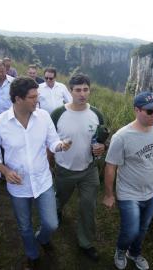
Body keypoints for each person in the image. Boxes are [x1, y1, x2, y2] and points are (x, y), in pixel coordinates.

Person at [0, 76, 71, 270]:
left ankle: (42, 237)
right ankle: (32, 254)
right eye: (32, 97)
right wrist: (4, 170)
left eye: (37, 96)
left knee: (52, 224)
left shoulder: (44, 117)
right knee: (24, 227)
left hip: (43, 180)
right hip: (18, 186)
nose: (37, 100)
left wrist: (61, 146)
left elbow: (52, 142)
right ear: (17, 99)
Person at [103, 92, 153, 270]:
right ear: (136, 110)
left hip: (152, 192)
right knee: (131, 230)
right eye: (150, 111)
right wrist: (109, 195)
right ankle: (120, 250)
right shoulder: (122, 137)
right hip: (129, 194)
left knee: (143, 228)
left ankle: (134, 253)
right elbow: (110, 166)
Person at [50, 74, 106, 261]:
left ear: (89, 90)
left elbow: (99, 140)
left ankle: (86, 243)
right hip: (64, 170)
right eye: (78, 90)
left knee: (88, 206)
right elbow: (49, 142)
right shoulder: (58, 114)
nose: (82, 94)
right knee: (60, 198)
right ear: (70, 91)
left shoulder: (97, 114)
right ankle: (56, 210)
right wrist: (50, 166)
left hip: (89, 170)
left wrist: (101, 147)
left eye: (85, 89)